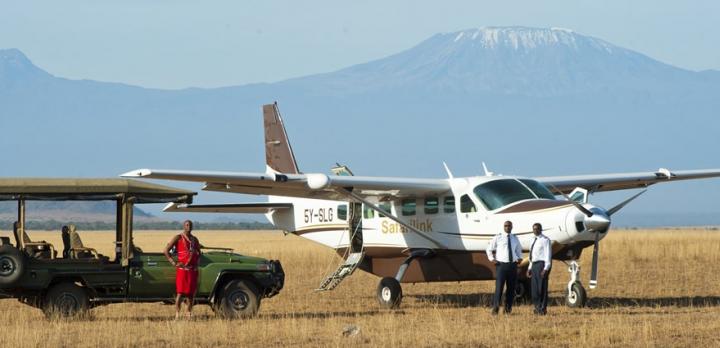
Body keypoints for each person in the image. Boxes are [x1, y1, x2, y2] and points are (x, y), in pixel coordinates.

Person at [164, 220, 202, 319]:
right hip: (182, 269)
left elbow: (199, 253)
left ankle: (189, 313)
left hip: (192, 270)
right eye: (187, 225)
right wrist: (173, 263)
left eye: (190, 225)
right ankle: (177, 314)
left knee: (191, 294)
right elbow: (166, 251)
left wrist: (197, 263)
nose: (189, 226)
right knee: (180, 293)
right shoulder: (178, 237)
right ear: (184, 226)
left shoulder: (194, 239)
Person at [486, 220, 523, 315]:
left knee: (511, 289)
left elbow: (519, 249)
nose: (507, 227)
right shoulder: (498, 237)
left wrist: (519, 258)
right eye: (506, 226)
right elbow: (489, 249)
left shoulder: (515, 238)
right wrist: (492, 259)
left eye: (509, 226)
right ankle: (495, 309)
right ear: (503, 227)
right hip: (501, 266)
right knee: (499, 288)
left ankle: (507, 310)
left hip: (512, 265)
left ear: (512, 227)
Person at [526, 223, 552, 315]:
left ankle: (542, 308)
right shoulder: (533, 240)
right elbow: (532, 256)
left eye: (537, 229)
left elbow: (548, 256)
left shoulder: (545, 240)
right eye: (534, 229)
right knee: (535, 290)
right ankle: (537, 307)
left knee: (542, 289)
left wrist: (545, 269)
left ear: (541, 229)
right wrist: (529, 268)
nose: (535, 230)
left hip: (542, 265)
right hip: (534, 265)